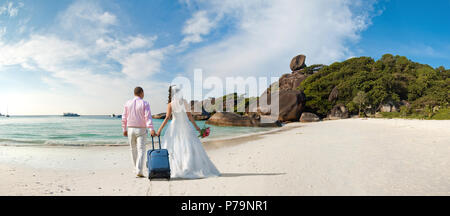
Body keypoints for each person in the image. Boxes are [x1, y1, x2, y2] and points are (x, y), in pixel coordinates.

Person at [156, 85, 220, 179]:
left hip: (174, 127)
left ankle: (176, 168)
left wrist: (159, 130)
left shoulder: (170, 104)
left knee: (174, 147)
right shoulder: (185, 102)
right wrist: (197, 127)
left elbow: (167, 118)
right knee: (188, 146)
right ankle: (189, 166)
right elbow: (190, 117)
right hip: (186, 126)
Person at [122, 87, 156, 178]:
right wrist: (151, 129)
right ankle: (139, 170)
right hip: (141, 129)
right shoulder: (145, 103)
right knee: (141, 150)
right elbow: (147, 117)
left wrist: (124, 129)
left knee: (132, 149)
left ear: (134, 93)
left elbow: (124, 117)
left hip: (130, 129)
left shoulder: (127, 103)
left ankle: (135, 168)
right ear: (141, 93)